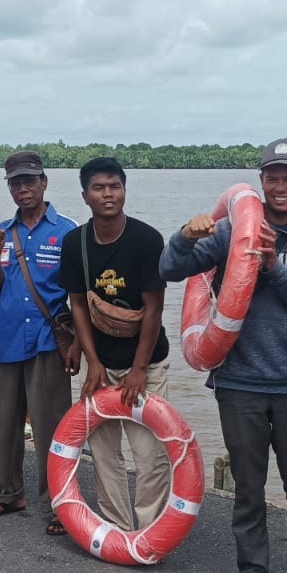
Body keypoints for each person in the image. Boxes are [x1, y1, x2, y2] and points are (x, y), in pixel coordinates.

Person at [159, 138, 287, 573]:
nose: (281, 186)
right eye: (273, 177)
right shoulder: (228, 231)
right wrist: (186, 234)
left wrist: (276, 269)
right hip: (238, 382)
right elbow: (169, 268)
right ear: (260, 181)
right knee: (247, 486)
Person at [58, 157, 172, 532]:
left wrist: (139, 369)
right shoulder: (75, 243)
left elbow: (154, 308)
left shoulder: (146, 240)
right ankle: (118, 529)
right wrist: (93, 363)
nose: (108, 194)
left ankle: (150, 530)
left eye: (115, 186)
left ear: (124, 190)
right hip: (100, 364)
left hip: (147, 362)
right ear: (85, 196)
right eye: (99, 188)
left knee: (149, 453)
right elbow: (77, 303)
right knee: (104, 453)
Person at [0, 151, 79, 534]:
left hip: (49, 342)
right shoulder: (1, 232)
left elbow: (78, 296)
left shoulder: (67, 231)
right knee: (7, 425)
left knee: (52, 427)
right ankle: (8, 494)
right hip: (7, 339)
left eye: (29, 181)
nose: (23, 189)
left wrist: (79, 345)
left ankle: (58, 505)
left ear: (44, 183)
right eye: (15, 183)